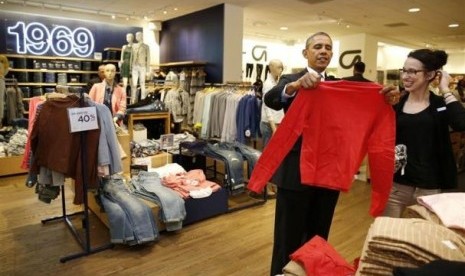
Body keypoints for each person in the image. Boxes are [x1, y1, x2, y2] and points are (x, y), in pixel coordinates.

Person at [248, 32, 400, 276]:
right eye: (317, 46)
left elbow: (364, 104)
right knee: (288, 238)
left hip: (329, 173)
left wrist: (386, 98)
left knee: (319, 238)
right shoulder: (291, 79)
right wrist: (295, 86)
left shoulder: (338, 85)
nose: (324, 51)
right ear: (305, 53)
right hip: (295, 175)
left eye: (328, 47)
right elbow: (272, 98)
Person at [382, 49, 465, 218]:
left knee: (420, 237)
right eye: (404, 70)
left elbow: (461, 123)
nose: (405, 76)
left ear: (430, 75)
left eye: (413, 71)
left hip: (428, 187)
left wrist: (444, 88)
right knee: (387, 234)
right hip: (397, 184)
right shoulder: (397, 103)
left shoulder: (440, 105)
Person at [260, 59, 284, 147]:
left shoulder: (277, 82)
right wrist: (274, 127)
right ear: (271, 68)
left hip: (276, 122)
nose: (281, 70)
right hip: (269, 124)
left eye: (281, 68)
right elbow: (267, 106)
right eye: (278, 67)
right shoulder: (268, 84)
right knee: (268, 152)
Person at [130, 31, 151, 103]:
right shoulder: (134, 46)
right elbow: (131, 57)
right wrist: (130, 66)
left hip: (142, 66)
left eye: (138, 35)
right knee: (134, 84)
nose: (136, 37)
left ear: (142, 36)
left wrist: (148, 69)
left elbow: (148, 58)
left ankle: (142, 99)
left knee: (142, 83)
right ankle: (133, 99)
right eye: (136, 36)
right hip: (134, 66)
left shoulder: (146, 46)